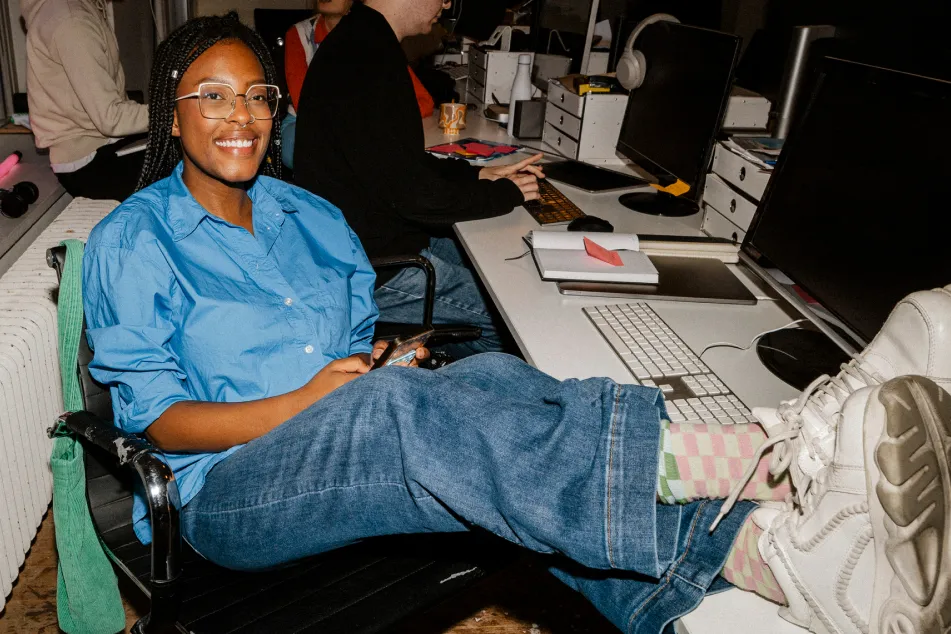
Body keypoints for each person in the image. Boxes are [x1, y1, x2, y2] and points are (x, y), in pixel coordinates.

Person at [82, 13, 949, 634]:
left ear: (276, 108)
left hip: (338, 436)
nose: (240, 116)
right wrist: (311, 403)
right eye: (212, 96)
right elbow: (153, 421)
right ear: (174, 108)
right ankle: (761, 463)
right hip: (226, 496)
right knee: (414, 419)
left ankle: (756, 579)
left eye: (257, 95)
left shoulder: (310, 217)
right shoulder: (134, 239)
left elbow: (351, 349)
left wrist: (383, 359)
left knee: (490, 389)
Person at [293, 0, 544, 359]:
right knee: (514, 323)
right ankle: (437, 389)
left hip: (373, 242)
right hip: (375, 267)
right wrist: (504, 193)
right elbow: (415, 197)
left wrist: (477, 174)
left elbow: (397, 163)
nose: (445, 2)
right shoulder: (368, 59)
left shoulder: (361, 43)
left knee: (508, 274)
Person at [281, 0, 435, 170]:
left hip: (361, 127)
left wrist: (382, 119)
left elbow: (423, 101)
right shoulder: (299, 33)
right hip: (302, 123)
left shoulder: (375, 38)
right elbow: (306, 106)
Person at [22, 0, 148, 201]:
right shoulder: (72, 20)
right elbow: (111, 118)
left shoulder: (77, 9)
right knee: (190, 165)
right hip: (89, 163)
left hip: (99, 147)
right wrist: (175, 113)